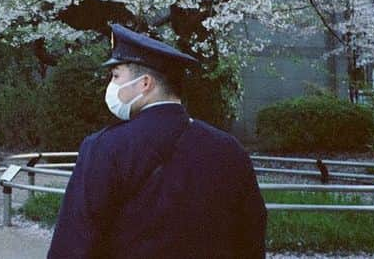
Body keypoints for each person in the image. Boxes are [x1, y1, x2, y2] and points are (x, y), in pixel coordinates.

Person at [48, 23, 266, 258]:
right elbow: (251, 237)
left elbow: (74, 243)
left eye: (116, 75)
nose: (111, 85)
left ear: (145, 83)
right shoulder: (228, 148)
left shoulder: (104, 147)